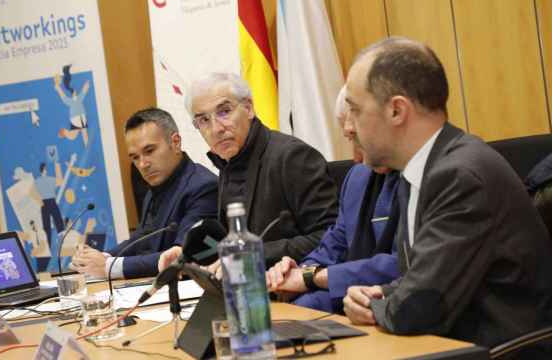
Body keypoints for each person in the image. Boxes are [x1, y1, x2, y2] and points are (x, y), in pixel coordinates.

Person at [341, 37, 552, 354]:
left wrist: (377, 306)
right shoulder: (419, 169)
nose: (350, 128)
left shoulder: (460, 175)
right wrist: (379, 294)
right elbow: (421, 278)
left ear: (397, 110)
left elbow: (419, 308)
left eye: (355, 110)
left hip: (501, 350)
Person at [158, 73, 338, 272]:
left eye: (224, 111)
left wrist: (252, 254)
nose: (216, 128)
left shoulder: (291, 156)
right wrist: (189, 255)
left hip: (296, 289)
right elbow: (232, 244)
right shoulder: (228, 164)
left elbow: (329, 236)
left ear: (249, 108)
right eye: (203, 120)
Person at [266, 86, 400, 313]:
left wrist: (312, 278)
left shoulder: (428, 176)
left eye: (356, 136)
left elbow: (406, 265)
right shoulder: (357, 176)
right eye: (348, 137)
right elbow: (333, 246)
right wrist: (297, 273)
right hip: (354, 303)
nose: (356, 156)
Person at [71, 108, 218, 279]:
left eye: (149, 151)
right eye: (134, 157)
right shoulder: (155, 188)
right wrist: (100, 258)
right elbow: (142, 238)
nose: (142, 164)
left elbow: (182, 256)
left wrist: (109, 267)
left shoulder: (203, 187)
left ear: (176, 142)